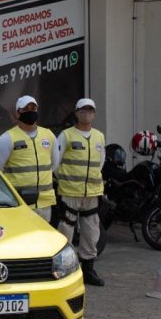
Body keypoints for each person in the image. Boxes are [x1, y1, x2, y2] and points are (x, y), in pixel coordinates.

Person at [54, 98, 106, 286]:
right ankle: (63, 269)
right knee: (66, 229)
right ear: (76, 113)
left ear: (94, 113)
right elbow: (55, 163)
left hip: (91, 193)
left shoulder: (99, 136)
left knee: (91, 232)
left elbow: (100, 163)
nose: (87, 113)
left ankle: (88, 269)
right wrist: (66, 179)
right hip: (70, 192)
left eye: (90, 110)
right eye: (83, 110)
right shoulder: (66, 135)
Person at [0, 95, 58, 221]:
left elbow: (54, 164)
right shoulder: (7, 138)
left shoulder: (49, 135)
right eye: (25, 109)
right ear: (17, 113)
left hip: (44, 203)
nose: (30, 112)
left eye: (33, 108)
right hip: (20, 204)